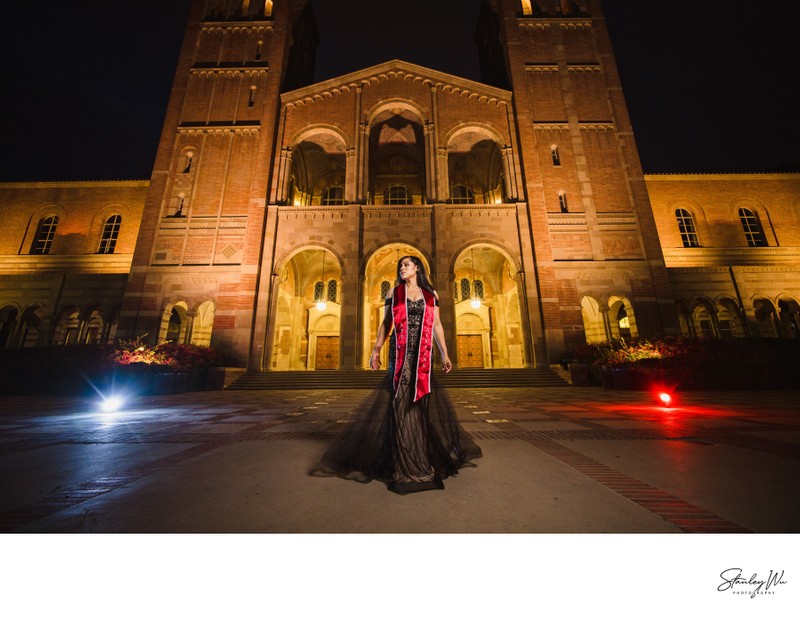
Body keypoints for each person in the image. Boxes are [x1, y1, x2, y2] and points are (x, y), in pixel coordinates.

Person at [311, 255, 482, 494]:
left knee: (419, 405)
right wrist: (375, 349)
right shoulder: (394, 293)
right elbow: (386, 324)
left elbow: (437, 325)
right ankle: (403, 464)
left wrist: (445, 353)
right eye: (400, 266)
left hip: (422, 356)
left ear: (417, 269)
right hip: (400, 354)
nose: (402, 268)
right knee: (400, 403)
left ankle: (421, 460)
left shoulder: (431, 295)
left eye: (406, 265)